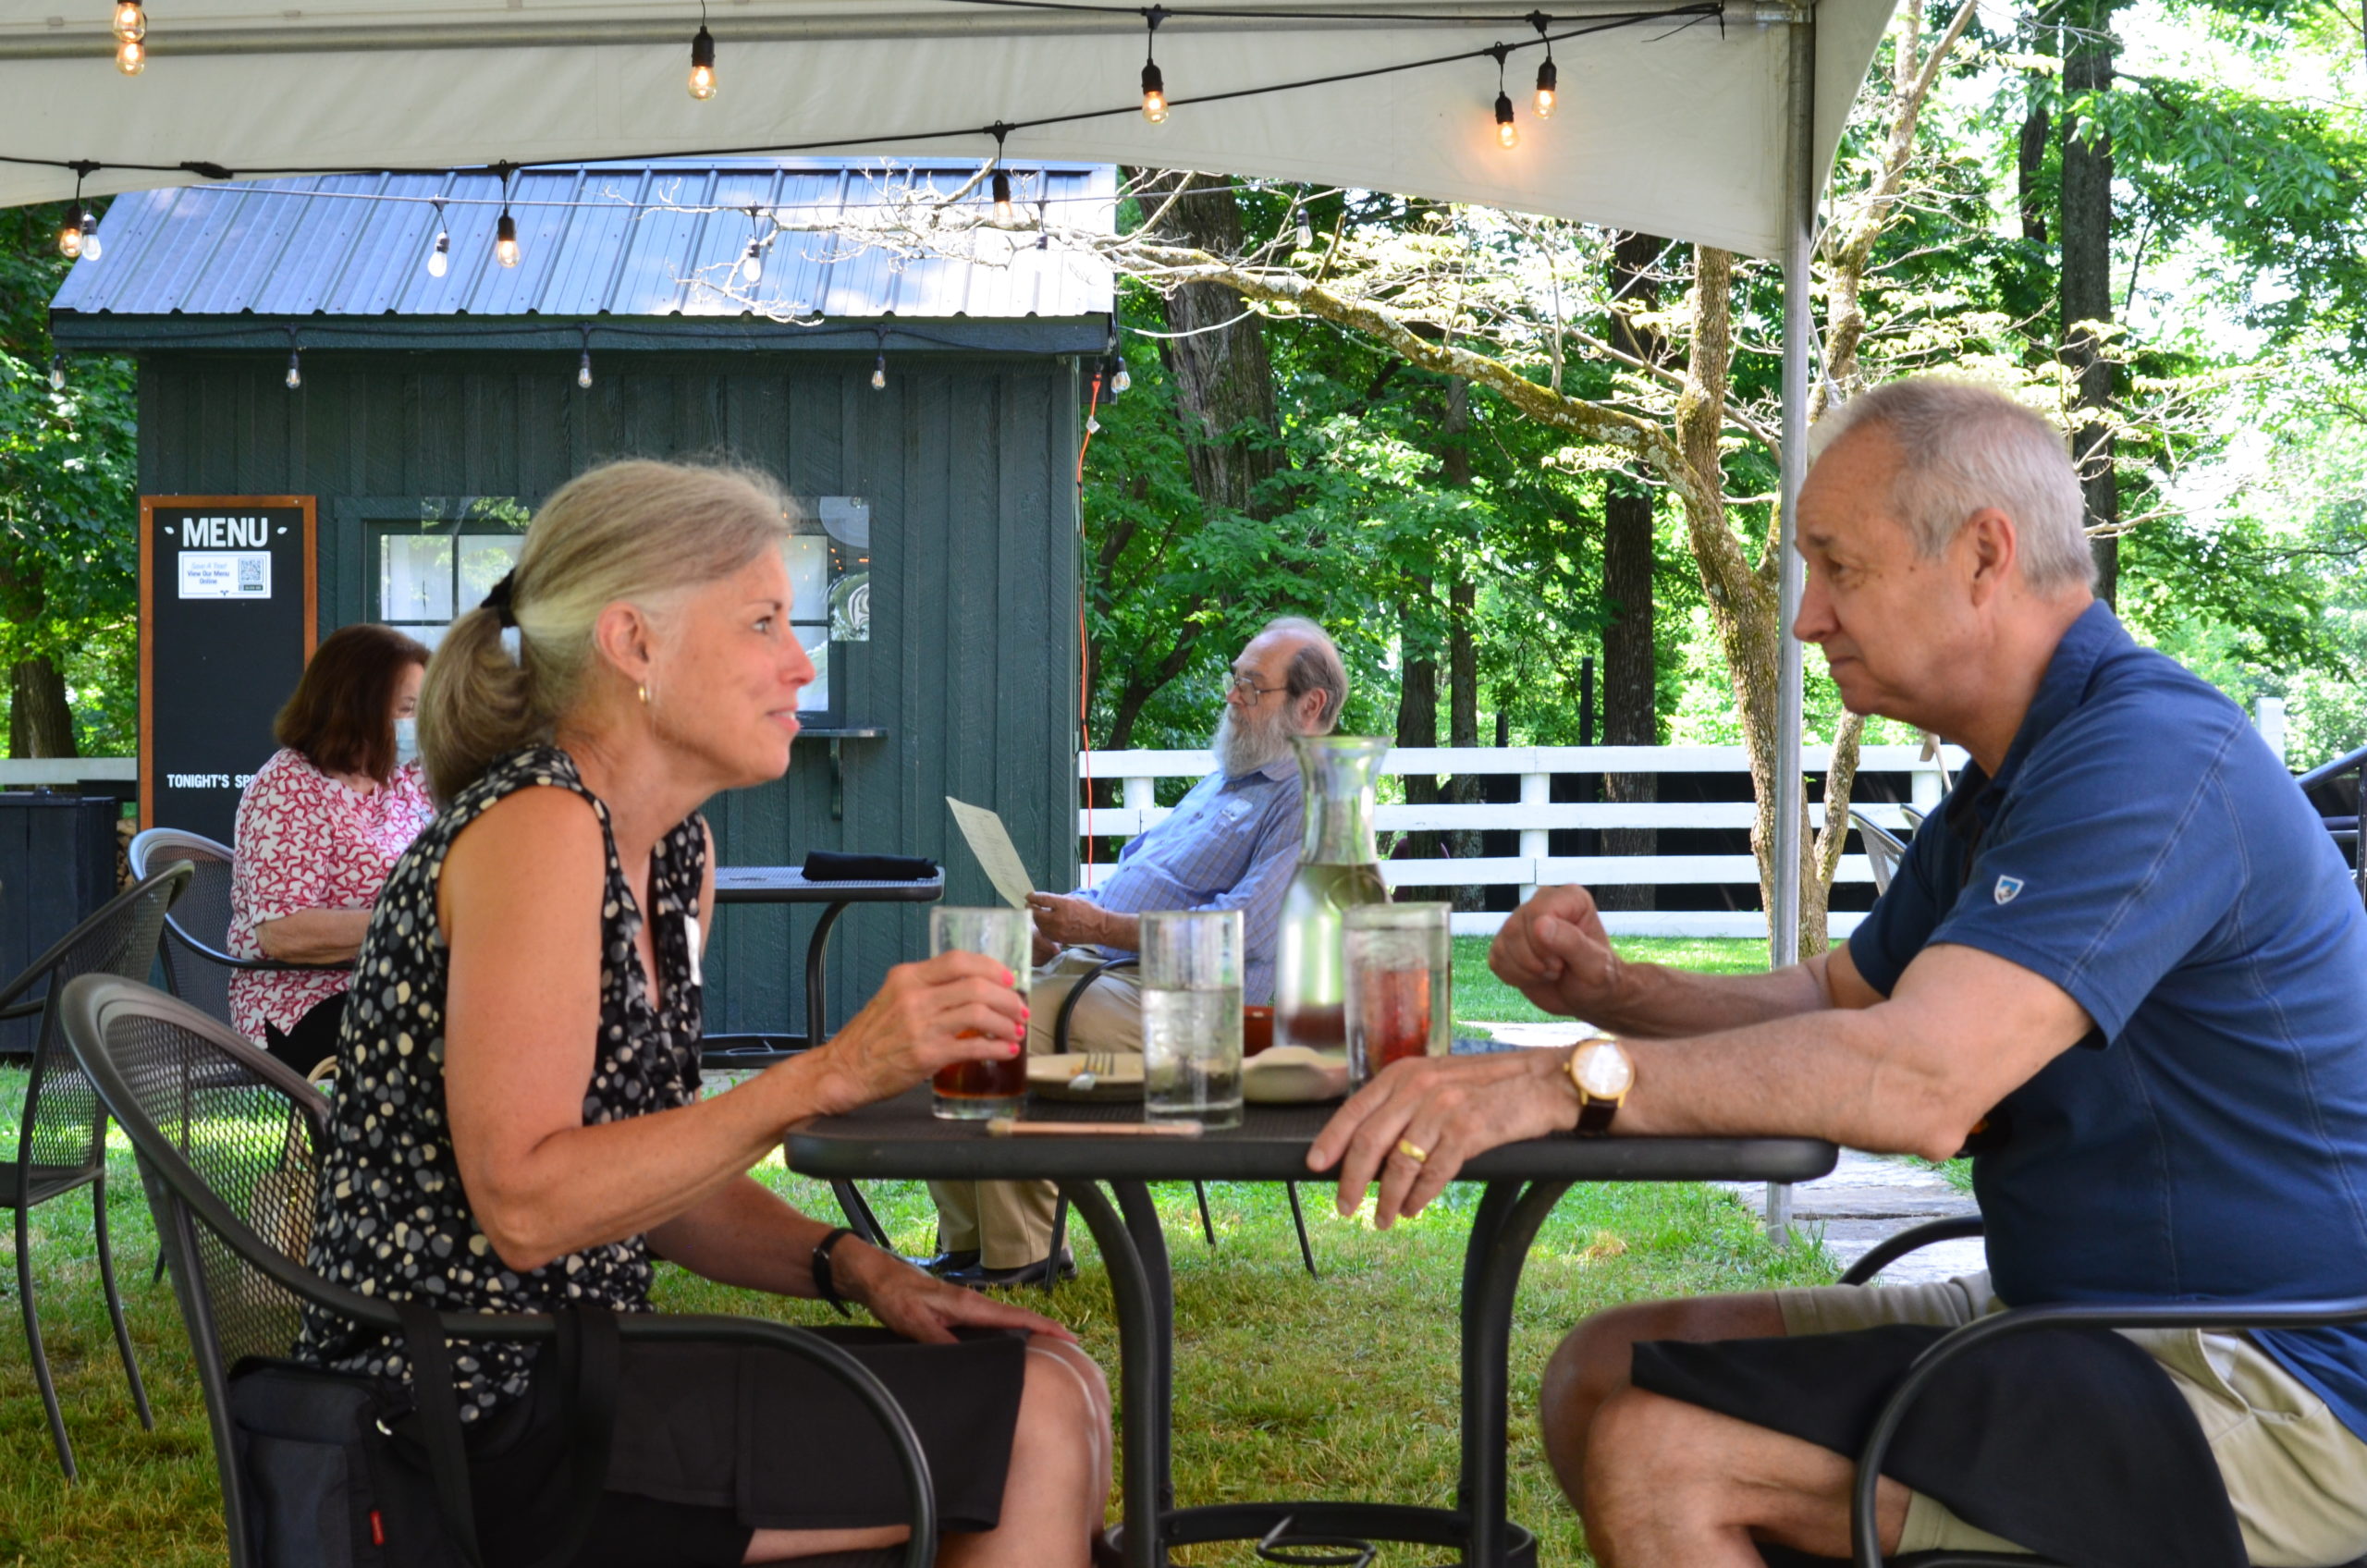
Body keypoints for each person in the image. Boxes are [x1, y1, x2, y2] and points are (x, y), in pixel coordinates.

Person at [1308, 376, 2367, 1568]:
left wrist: (1572, 1080)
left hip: (2274, 1380)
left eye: (1837, 566)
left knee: (1663, 1447)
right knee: (1598, 1369)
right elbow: (1836, 999)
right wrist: (1614, 997)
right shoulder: (2015, 773)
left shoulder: (2150, 759)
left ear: (1982, 555)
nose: (1808, 619)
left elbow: (1917, 1081)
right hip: (2077, 1321)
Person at [295, 460, 1111, 1568]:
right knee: (1035, 1423)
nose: (800, 661)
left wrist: (856, 1268)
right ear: (634, 644)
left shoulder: (673, 850)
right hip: (465, 1421)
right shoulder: (539, 830)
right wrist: (825, 1073)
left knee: (1057, 1376)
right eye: (764, 621)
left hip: (567, 1374)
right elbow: (528, 1205)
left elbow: (647, 1180)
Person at [922, 617, 1347, 1289]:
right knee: (957, 997)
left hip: (1211, 1008)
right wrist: (1065, 917)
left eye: (1250, 686)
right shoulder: (1227, 780)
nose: (1231, 697)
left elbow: (1238, 938)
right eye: (1234, 680)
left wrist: (1103, 927)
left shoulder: (1310, 795)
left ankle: (1024, 1253)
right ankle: (969, 1244)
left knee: (1008, 1018)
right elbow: (1138, 878)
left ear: (1310, 704)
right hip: (1121, 969)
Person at [227, 621, 434, 1074]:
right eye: (406, 709)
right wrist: (413, 922)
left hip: (395, 982)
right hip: (302, 1002)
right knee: (459, 1031)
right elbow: (282, 931)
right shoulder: (289, 786)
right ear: (354, 707)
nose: (417, 725)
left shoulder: (403, 778)